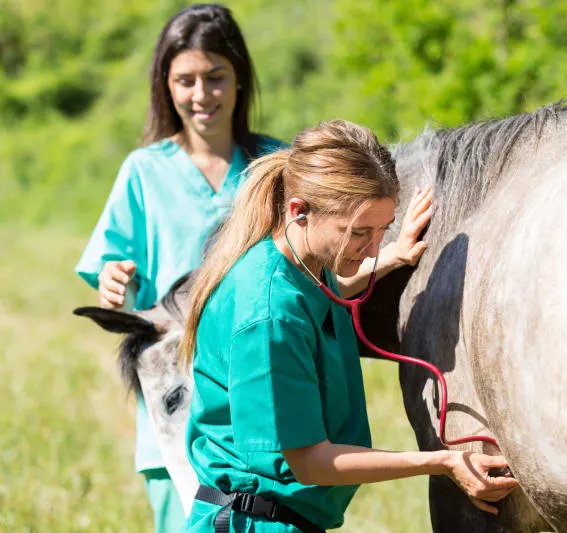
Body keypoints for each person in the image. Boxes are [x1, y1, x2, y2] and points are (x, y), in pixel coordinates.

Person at [75, 5, 431, 531]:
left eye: (216, 77)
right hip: (186, 400)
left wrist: (390, 254)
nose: (202, 94)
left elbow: (308, 282)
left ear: (240, 80)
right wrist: (115, 286)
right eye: (186, 80)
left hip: (263, 404)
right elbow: (118, 281)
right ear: (164, 86)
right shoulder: (144, 172)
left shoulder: (275, 162)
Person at [179, 120, 519, 533]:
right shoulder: (266, 318)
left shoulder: (297, 265)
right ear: (299, 211)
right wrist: (443, 462)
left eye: (382, 228)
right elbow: (308, 461)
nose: (372, 246)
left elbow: (322, 291)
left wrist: (392, 255)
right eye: (359, 232)